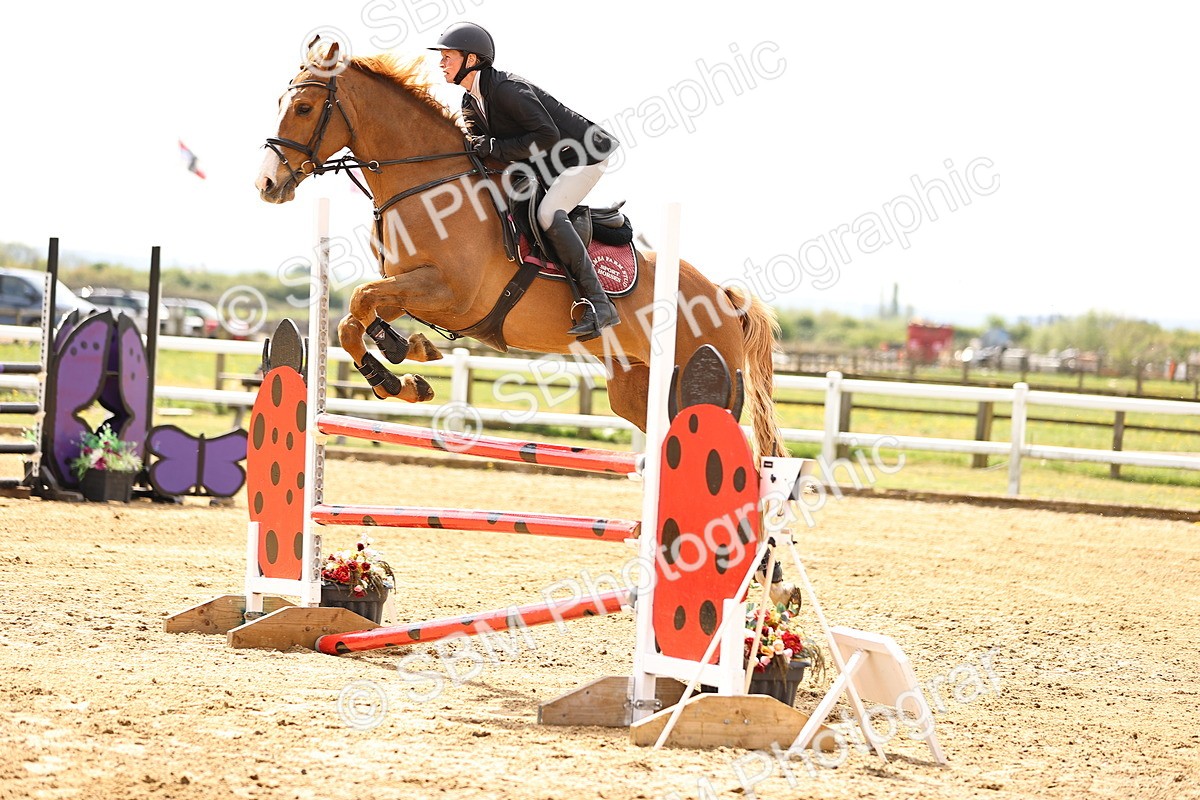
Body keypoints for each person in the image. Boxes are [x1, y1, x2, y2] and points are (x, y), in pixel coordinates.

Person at [429, 22, 621, 341]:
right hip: (547, 162)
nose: (441, 63)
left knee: (547, 214)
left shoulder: (508, 90)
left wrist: (495, 147)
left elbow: (547, 136)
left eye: (448, 56)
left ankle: (601, 304)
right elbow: (484, 154)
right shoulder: (469, 102)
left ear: (471, 60)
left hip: (584, 155)